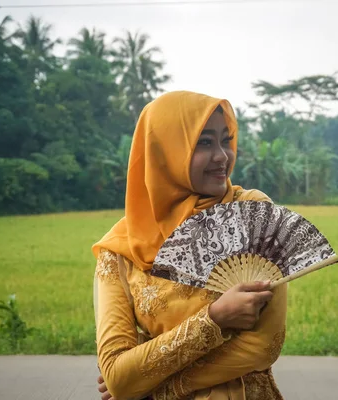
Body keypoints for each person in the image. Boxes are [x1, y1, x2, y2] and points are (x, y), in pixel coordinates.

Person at [92, 91, 287, 400]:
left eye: (226, 140)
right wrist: (215, 318)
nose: (223, 155)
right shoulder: (120, 248)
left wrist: (156, 387)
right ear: (165, 151)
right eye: (205, 142)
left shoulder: (250, 212)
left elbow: (263, 346)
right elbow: (118, 376)